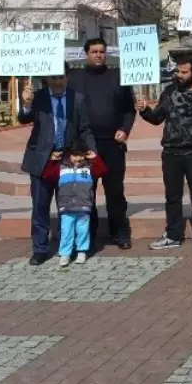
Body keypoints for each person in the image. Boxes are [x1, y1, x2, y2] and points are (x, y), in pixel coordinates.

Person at [138, 56, 192, 251]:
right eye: (178, 71)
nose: (180, 75)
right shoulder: (169, 91)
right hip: (171, 153)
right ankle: (173, 234)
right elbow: (158, 118)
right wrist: (145, 111)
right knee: (172, 196)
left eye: (184, 72)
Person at [18, 72, 97, 265]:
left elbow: (84, 128)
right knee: (40, 207)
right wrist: (26, 105)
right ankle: (40, 249)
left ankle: (67, 248)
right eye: (54, 78)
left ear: (67, 78)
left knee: (69, 206)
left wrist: (92, 151)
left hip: (68, 161)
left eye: (61, 77)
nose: (58, 82)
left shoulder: (77, 98)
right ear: (47, 79)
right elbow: (24, 119)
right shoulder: (37, 97)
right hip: (42, 160)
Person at [67, 37, 136, 250]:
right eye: (94, 51)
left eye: (102, 51)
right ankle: (89, 234)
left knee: (115, 191)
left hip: (113, 145)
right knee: (87, 191)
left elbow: (128, 110)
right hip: (85, 145)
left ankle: (120, 233)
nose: (98, 55)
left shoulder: (118, 77)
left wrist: (124, 130)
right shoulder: (75, 79)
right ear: (86, 54)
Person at [44, 139, 107, 268]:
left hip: (83, 206)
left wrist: (95, 158)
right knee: (66, 230)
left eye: (80, 155)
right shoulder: (61, 167)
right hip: (66, 206)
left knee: (82, 230)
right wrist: (52, 160)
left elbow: (103, 171)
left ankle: (81, 251)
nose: (77, 158)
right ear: (69, 155)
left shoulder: (89, 168)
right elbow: (47, 175)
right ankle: (65, 254)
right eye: (74, 155)